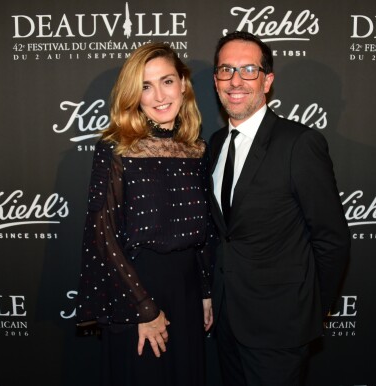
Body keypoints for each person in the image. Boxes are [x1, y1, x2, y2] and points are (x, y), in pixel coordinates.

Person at [209, 31, 351, 386]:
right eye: (226, 70)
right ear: (215, 80)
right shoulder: (214, 144)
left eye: (248, 70)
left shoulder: (299, 143)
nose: (236, 80)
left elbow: (331, 238)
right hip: (226, 320)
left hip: (280, 326)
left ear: (267, 80)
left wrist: (312, 310)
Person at [75, 42, 215, 386]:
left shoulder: (197, 149)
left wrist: (207, 292)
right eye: (146, 86)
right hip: (137, 292)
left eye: (167, 81)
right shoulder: (116, 148)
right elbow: (103, 236)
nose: (159, 96)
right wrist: (143, 308)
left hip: (188, 292)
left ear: (183, 84)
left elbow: (207, 230)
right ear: (134, 95)